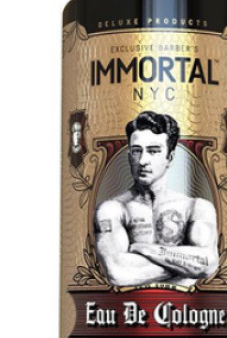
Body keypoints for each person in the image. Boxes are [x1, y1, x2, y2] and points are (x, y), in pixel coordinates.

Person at [94, 111, 220, 287]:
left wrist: (146, 250)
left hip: (182, 303)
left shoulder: (197, 208)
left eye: (153, 151)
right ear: (129, 157)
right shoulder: (111, 210)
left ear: (170, 157)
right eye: (136, 151)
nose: (142, 161)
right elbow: (118, 273)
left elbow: (208, 263)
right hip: (130, 303)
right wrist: (188, 265)